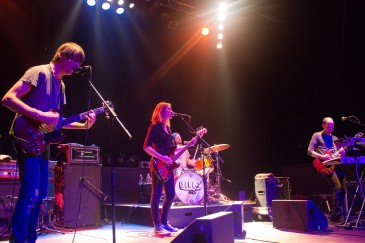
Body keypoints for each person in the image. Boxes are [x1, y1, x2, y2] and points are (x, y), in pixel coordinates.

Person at [1, 42, 97, 243]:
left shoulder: (60, 84)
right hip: (26, 136)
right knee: (29, 194)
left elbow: (55, 122)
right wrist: (39, 114)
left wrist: (84, 126)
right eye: (75, 60)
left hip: (42, 143)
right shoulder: (38, 72)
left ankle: (29, 239)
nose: (77, 65)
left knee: (40, 195)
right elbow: (8, 98)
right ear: (63, 56)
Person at [143, 102, 180, 236]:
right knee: (156, 195)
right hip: (158, 165)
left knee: (170, 194)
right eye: (169, 109)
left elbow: (172, 150)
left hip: (167, 167)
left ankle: (164, 222)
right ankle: (157, 225)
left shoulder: (168, 129)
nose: (171, 111)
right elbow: (146, 147)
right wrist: (162, 158)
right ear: (161, 111)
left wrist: (191, 143)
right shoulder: (154, 127)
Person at [307, 117, 346, 223]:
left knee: (344, 188)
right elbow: (309, 151)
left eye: (332, 127)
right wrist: (322, 156)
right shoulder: (317, 135)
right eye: (328, 127)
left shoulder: (335, 138)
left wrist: (342, 152)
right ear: (323, 125)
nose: (330, 129)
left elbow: (337, 153)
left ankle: (335, 214)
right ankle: (337, 215)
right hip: (324, 165)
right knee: (337, 187)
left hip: (335, 164)